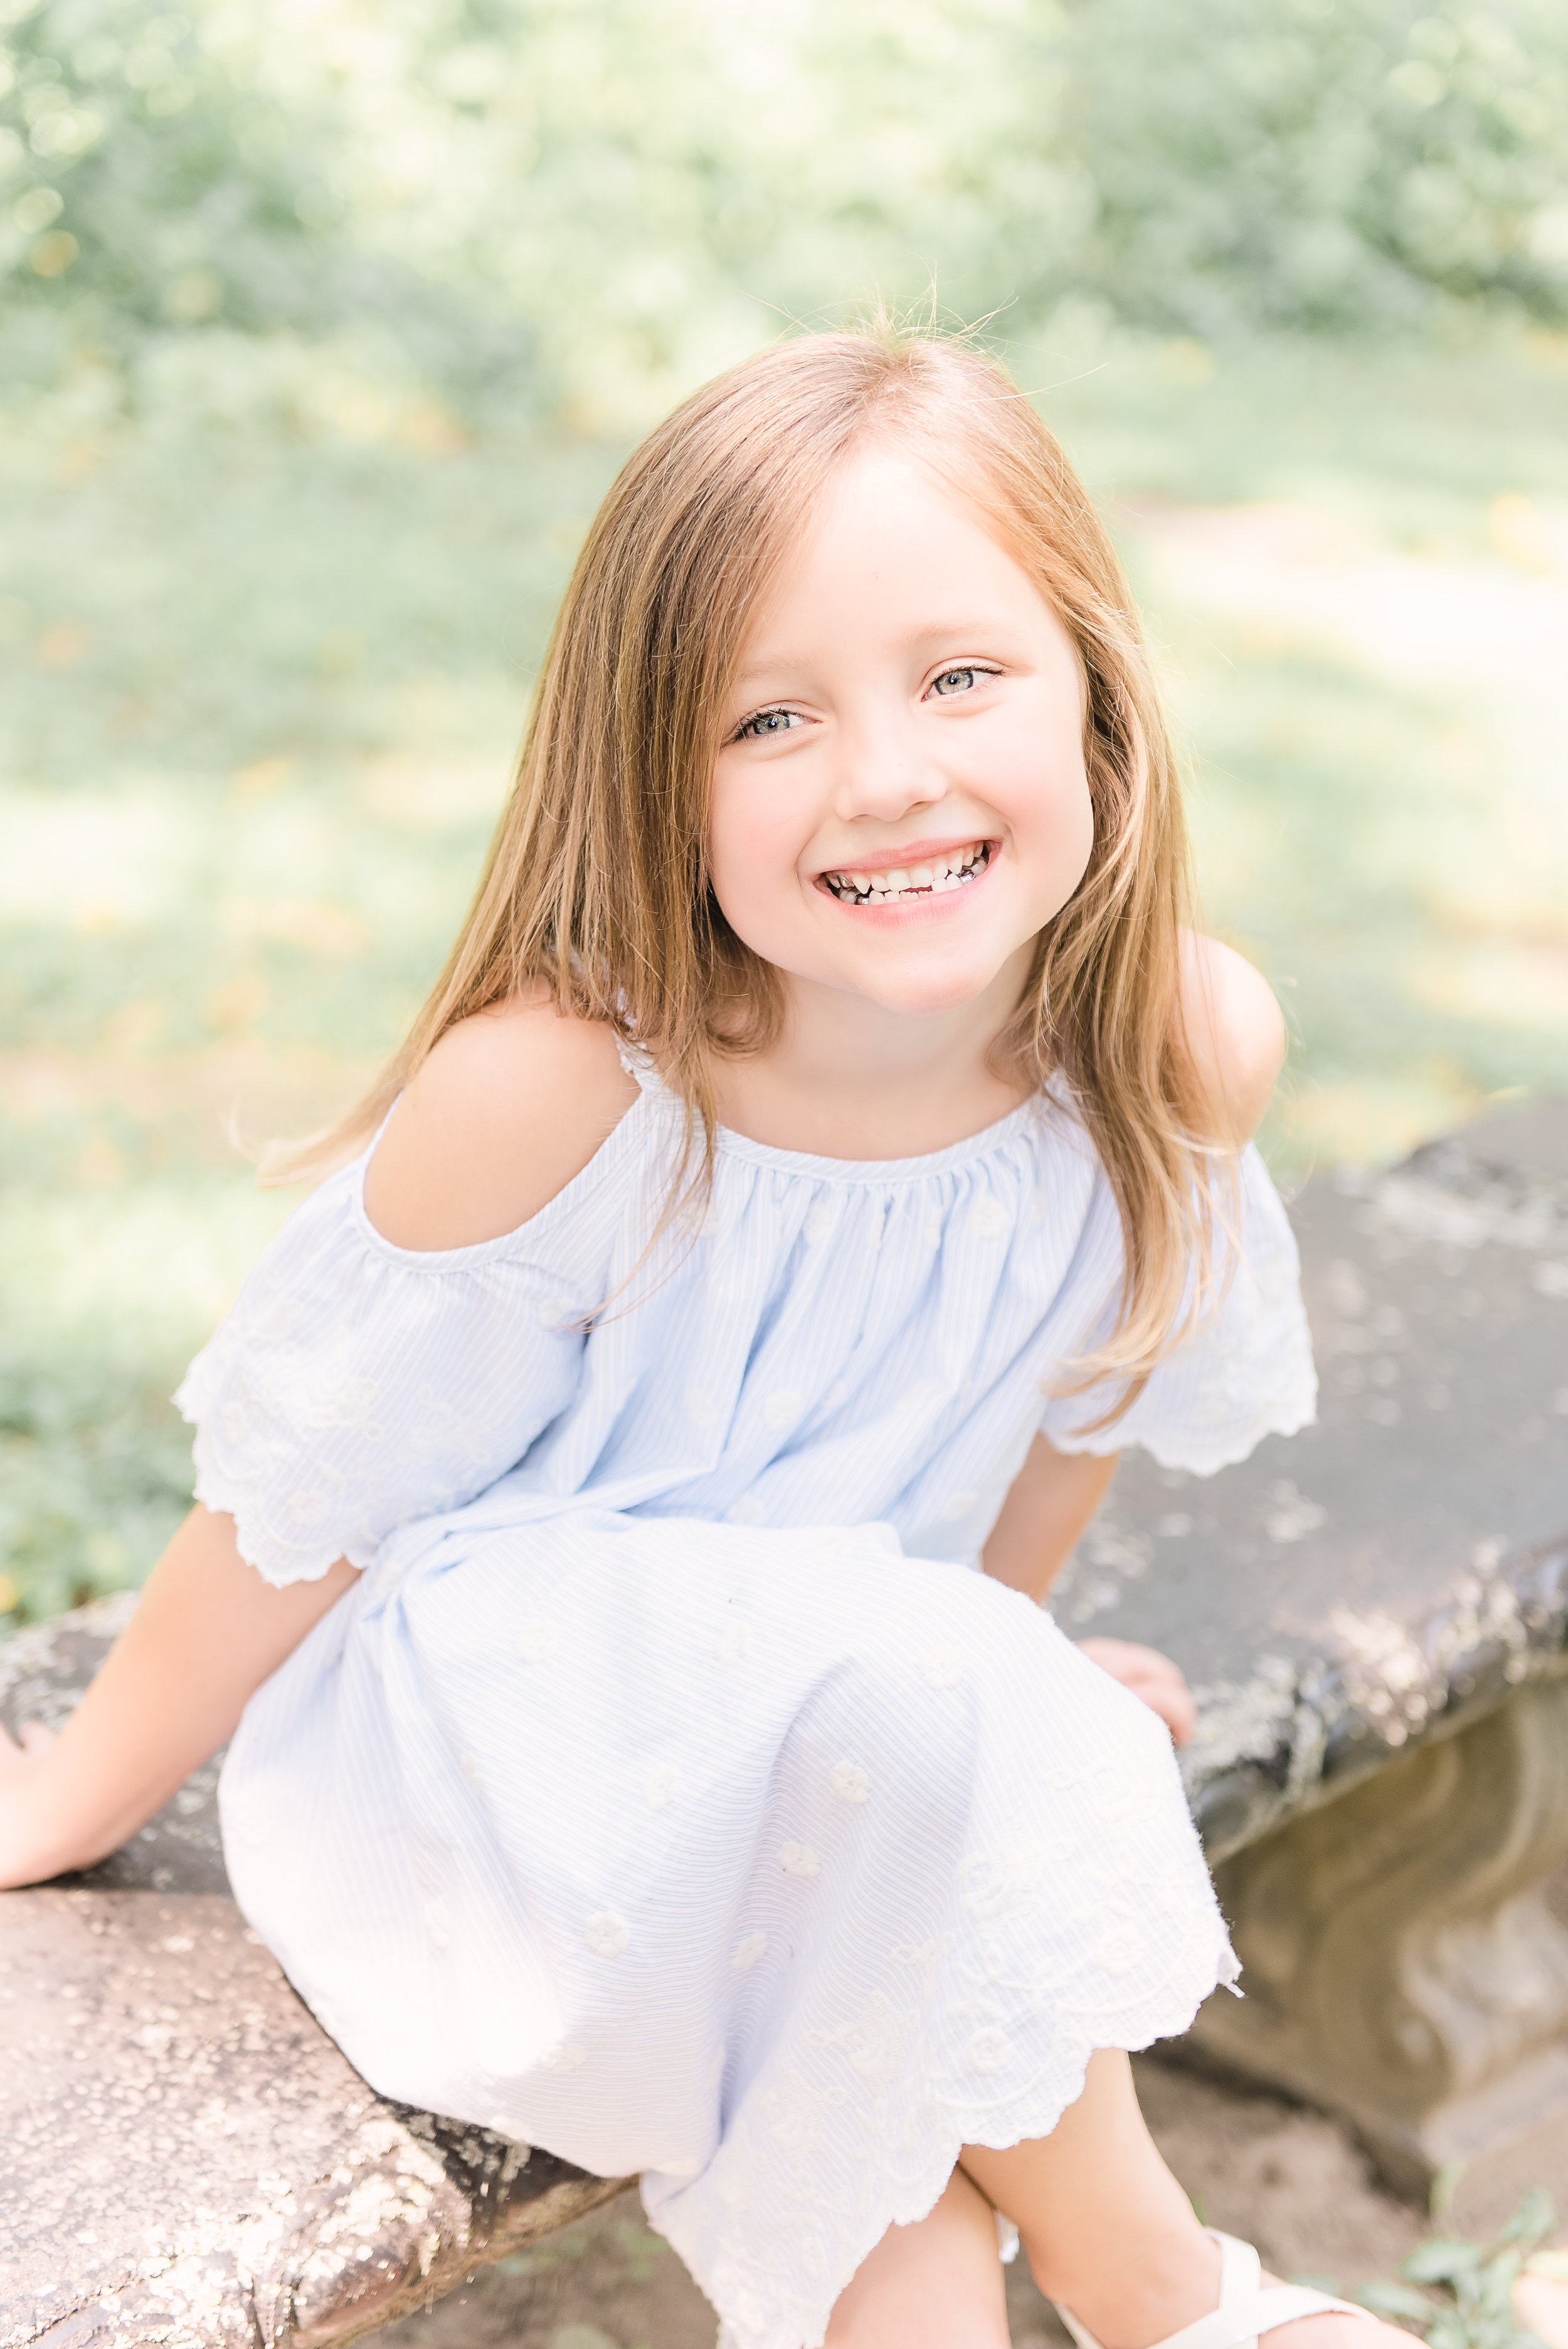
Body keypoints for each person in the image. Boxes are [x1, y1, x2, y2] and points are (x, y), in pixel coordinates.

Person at [0, 327, 1400, 2349]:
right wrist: (73, 1795)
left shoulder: (1170, 1045)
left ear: (1095, 687)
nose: (888, 774)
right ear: (653, 769)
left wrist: (983, 1668)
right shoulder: (568, 1094)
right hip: (494, 1760)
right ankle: (1165, 2291)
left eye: (960, 674)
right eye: (769, 719)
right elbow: (311, 1491)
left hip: (826, 1741)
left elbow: (1074, 1393)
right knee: (908, 1840)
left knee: (890, 2078)